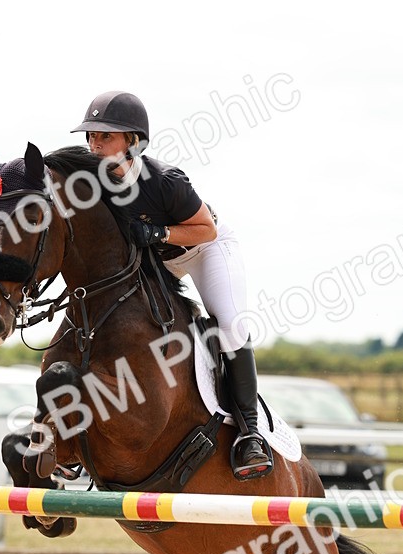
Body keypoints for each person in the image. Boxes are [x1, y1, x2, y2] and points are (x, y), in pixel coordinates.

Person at [72, 90, 273, 481]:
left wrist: (159, 231)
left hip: (203, 248)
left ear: (133, 141)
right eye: (91, 136)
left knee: (230, 323)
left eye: (105, 136)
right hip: (156, 262)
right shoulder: (93, 184)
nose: (95, 145)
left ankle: (251, 433)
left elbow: (206, 228)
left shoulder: (163, 180)